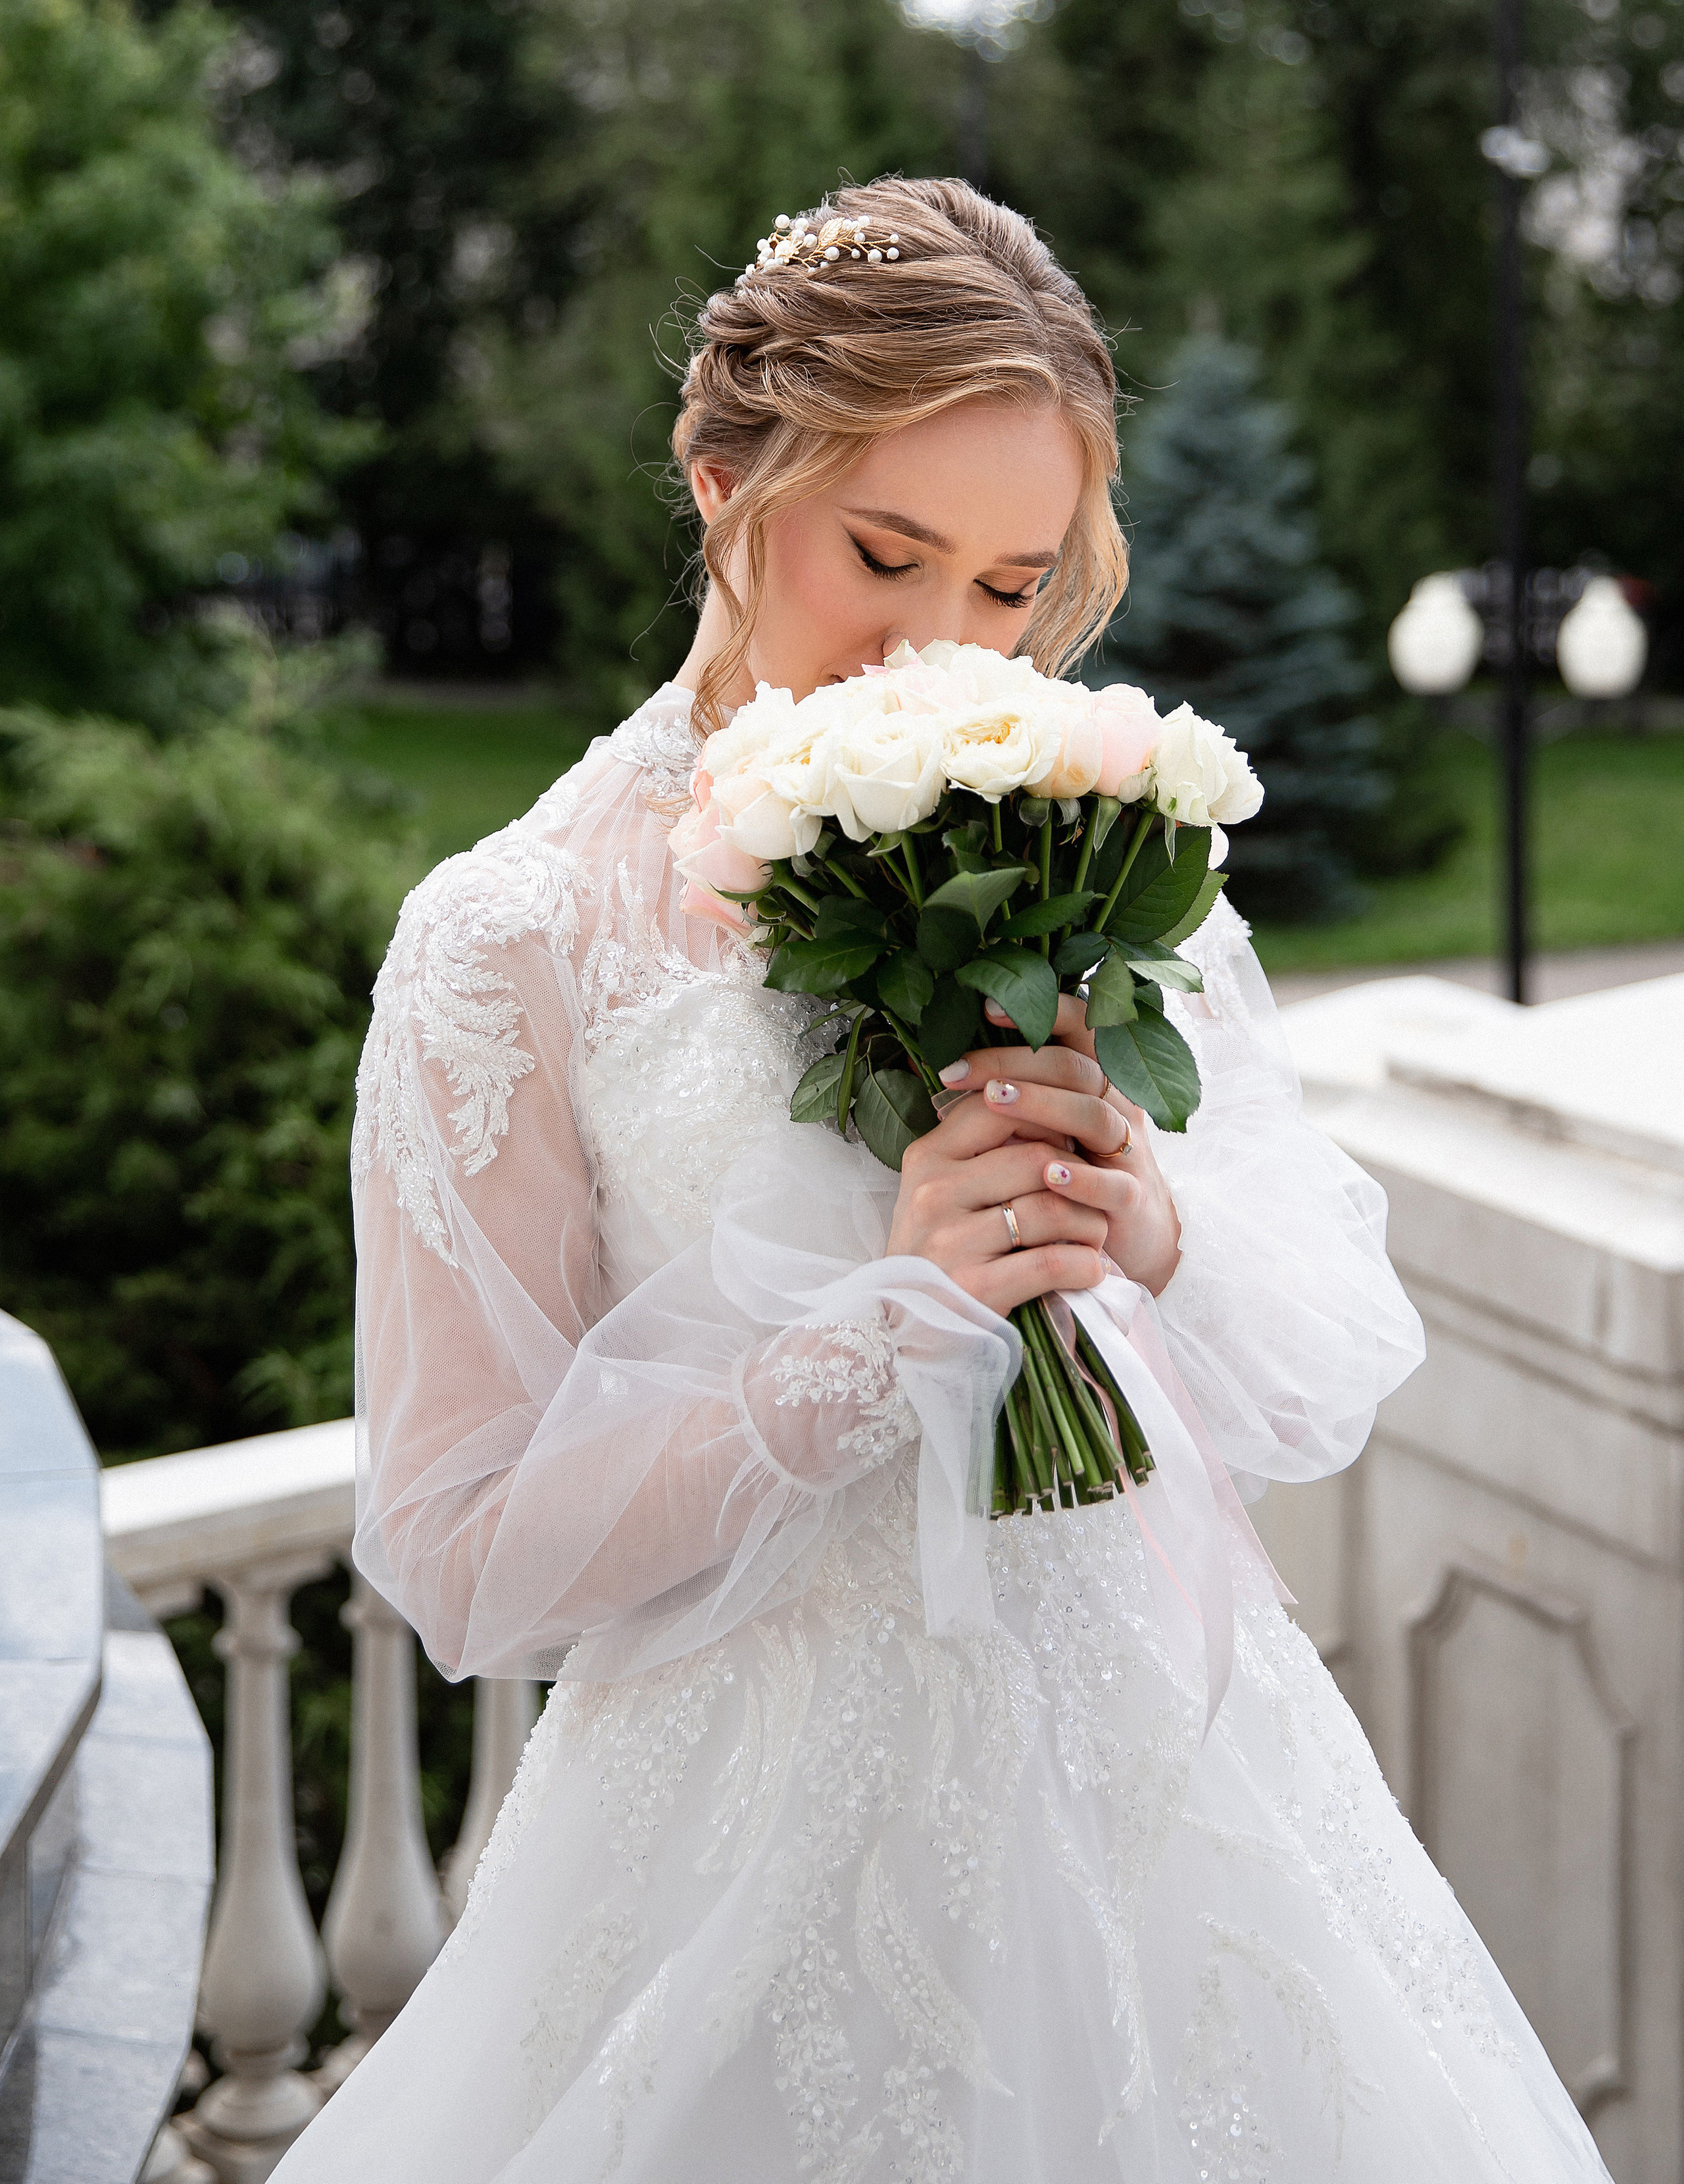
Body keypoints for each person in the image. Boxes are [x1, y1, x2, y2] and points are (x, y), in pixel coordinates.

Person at [276, 178, 1612, 2182]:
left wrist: (1145, 1221)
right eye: (883, 554)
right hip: (742, 1843)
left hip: (1171, 1776)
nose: (941, 648)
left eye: (1011, 585)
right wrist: (863, 1344)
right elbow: (463, 1553)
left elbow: (1325, 1330)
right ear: (719, 471)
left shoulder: (1090, 828)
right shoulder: (514, 938)